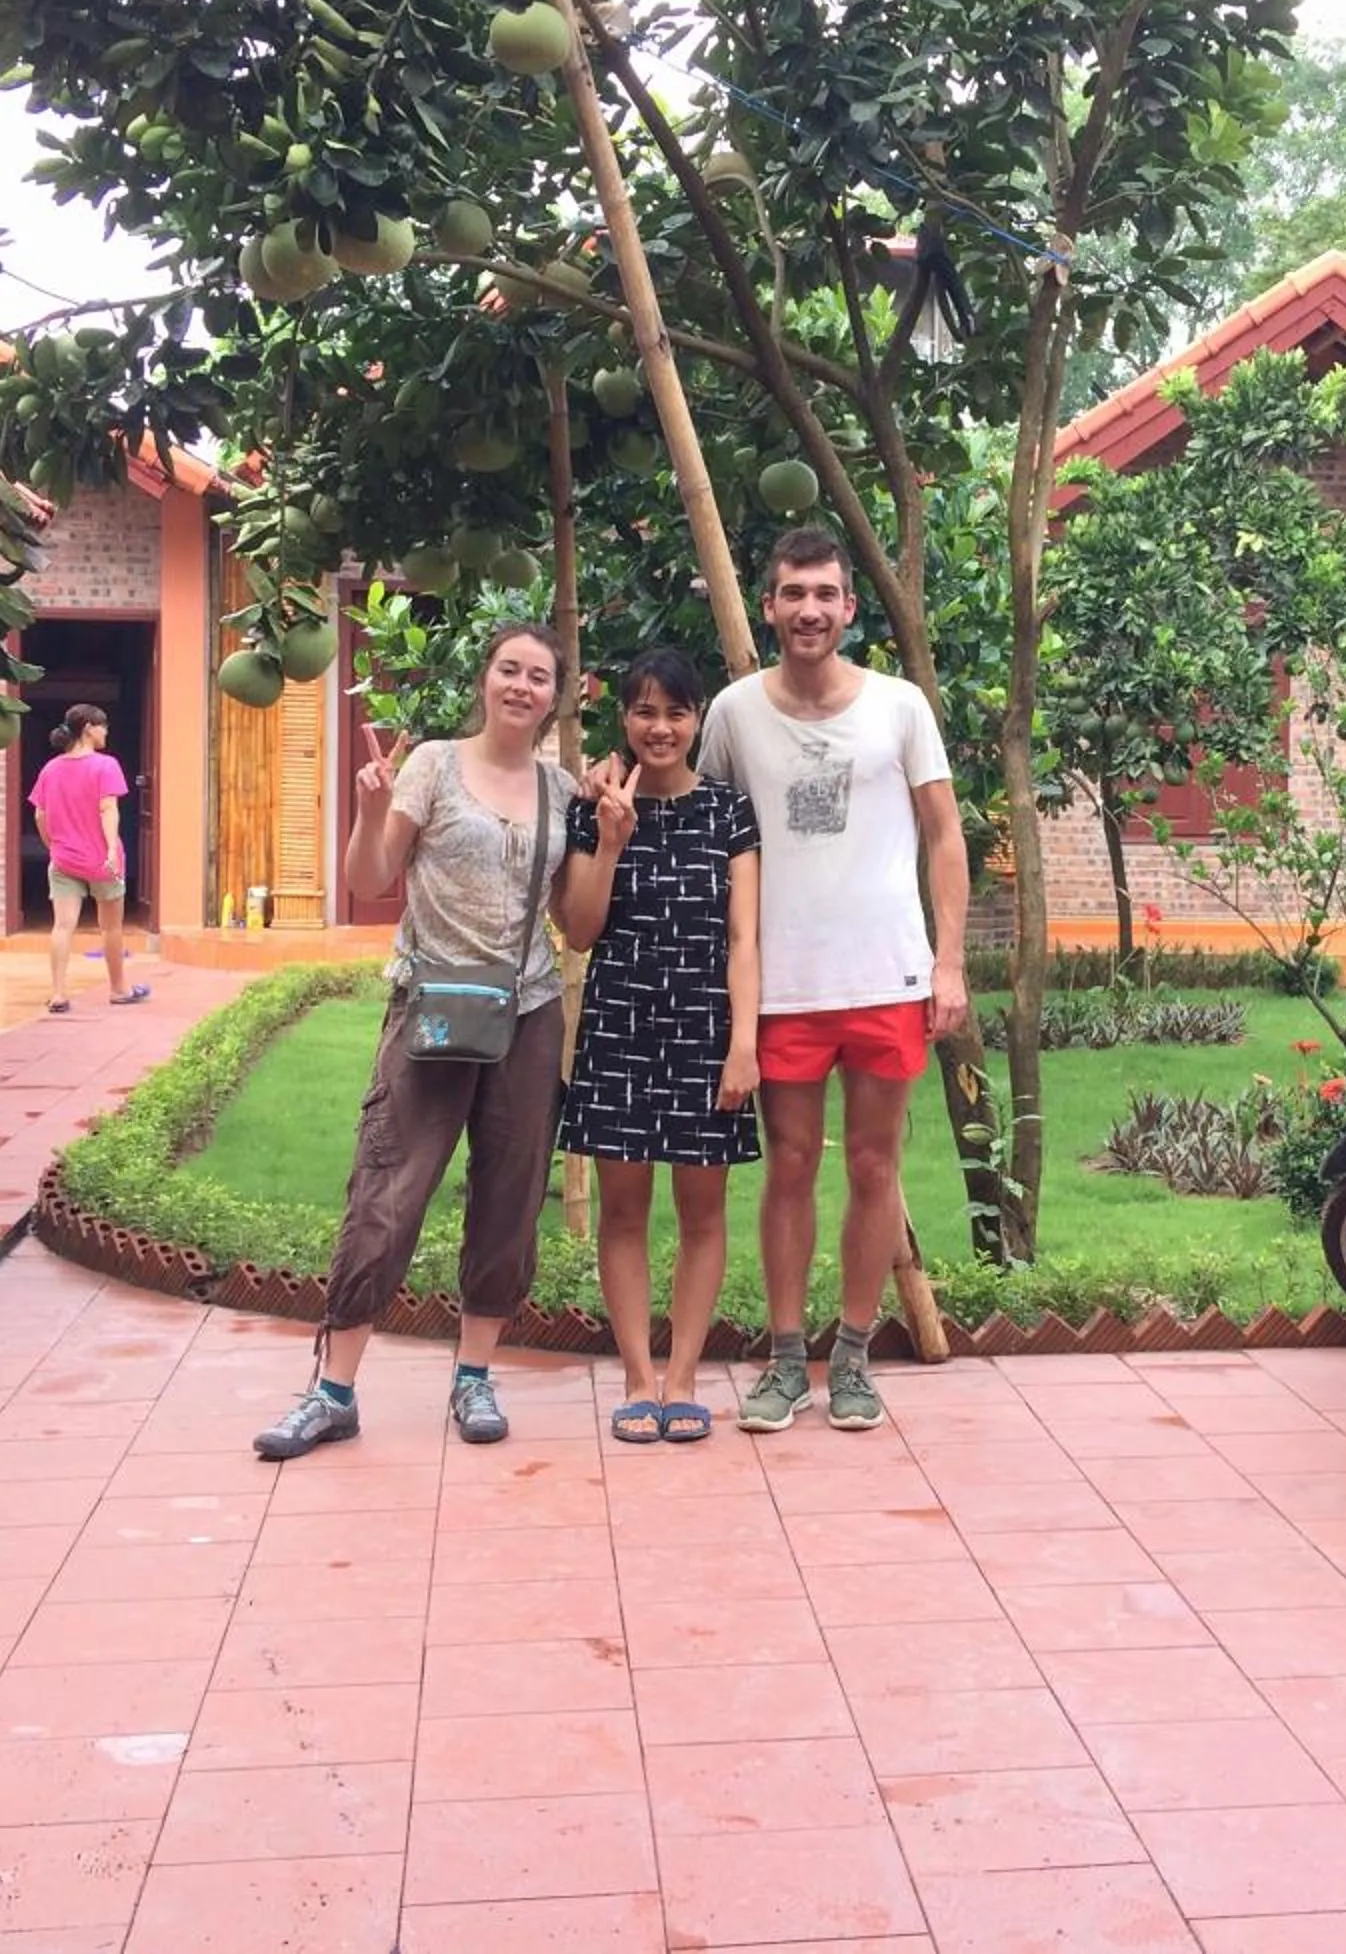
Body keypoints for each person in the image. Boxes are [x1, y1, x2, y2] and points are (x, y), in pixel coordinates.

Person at [254, 621, 578, 1459]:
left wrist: (608, 843)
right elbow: (370, 876)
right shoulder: (432, 763)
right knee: (388, 1191)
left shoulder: (561, 790)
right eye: (507, 668)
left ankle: (474, 1378)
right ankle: (333, 1390)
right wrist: (368, 811)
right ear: (484, 678)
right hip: (431, 1003)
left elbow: (577, 919)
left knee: (509, 1198)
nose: (520, 686)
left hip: (527, 1009)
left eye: (538, 676)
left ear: (555, 696)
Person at [693, 527, 968, 1434]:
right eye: (790, 593)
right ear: (769, 607)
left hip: (886, 973)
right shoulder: (733, 712)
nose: (807, 609)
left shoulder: (899, 707)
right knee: (792, 1167)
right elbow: (708, 836)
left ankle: (852, 1356)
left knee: (875, 1164)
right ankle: (782, 1360)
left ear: (849, 607)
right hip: (782, 984)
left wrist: (950, 960)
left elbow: (943, 834)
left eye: (824, 594)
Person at [557, 648, 763, 1446]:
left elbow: (743, 939)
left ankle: (685, 1380)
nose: (660, 727)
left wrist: (743, 1044)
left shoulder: (728, 813)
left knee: (703, 1210)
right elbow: (578, 931)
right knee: (625, 1209)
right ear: (626, 721)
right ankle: (639, 1379)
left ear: (698, 719)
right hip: (619, 1026)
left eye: (676, 712)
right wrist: (609, 842)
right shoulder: (594, 807)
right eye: (645, 711)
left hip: (706, 1031)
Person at [26, 703, 149, 1014]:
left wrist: (52, 845)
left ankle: (58, 994)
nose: (106, 731)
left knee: (62, 927)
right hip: (101, 862)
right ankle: (119, 989)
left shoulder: (50, 769)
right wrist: (110, 850)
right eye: (102, 726)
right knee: (110, 928)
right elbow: (108, 809)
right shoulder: (106, 766)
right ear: (88, 729)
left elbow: (40, 813)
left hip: (64, 860)